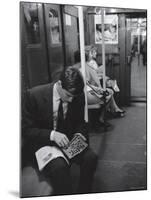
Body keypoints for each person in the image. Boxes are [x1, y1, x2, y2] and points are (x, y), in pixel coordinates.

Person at [22, 66, 97, 195]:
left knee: (91, 158)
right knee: (60, 167)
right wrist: (52, 135)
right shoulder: (34, 95)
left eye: (74, 96)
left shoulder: (77, 96)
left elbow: (80, 122)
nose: (71, 99)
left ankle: (84, 192)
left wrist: (79, 134)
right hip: (45, 143)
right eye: (68, 95)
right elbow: (26, 130)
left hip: (68, 142)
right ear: (60, 84)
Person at [85, 45, 125, 117]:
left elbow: (96, 74)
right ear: (89, 53)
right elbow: (92, 78)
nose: (96, 54)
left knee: (111, 87)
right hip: (93, 86)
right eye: (93, 52)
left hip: (98, 82)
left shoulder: (93, 62)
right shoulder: (87, 65)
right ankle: (111, 110)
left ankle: (113, 109)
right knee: (110, 89)